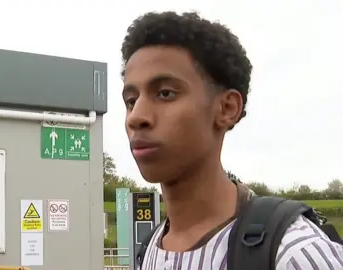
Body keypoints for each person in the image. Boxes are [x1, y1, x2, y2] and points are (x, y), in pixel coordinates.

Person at [121, 11, 343, 270]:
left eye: (165, 93)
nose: (136, 117)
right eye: (131, 101)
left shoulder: (295, 254)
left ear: (227, 108)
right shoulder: (149, 251)